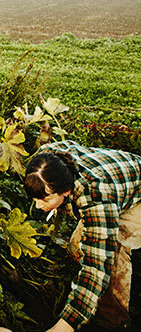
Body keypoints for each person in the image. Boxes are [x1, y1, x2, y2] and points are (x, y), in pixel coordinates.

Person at [21, 140, 141, 331]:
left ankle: (115, 321)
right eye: (35, 199)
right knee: (78, 246)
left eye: (45, 199)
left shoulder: (95, 196)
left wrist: (66, 325)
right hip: (116, 181)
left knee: (114, 251)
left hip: (136, 197)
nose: (38, 206)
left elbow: (97, 267)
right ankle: (93, 302)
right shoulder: (44, 162)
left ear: (66, 191)